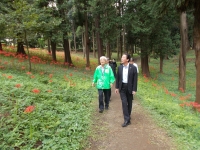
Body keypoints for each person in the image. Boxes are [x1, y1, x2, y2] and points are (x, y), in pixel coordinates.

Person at [115, 54, 138, 127]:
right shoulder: (120, 67)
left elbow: (135, 80)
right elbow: (118, 78)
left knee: (129, 103)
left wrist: (134, 89)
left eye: (123, 57)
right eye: (121, 57)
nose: (121, 58)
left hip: (130, 87)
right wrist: (117, 87)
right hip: (122, 88)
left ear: (127, 59)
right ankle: (126, 120)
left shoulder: (133, 68)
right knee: (124, 103)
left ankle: (128, 116)